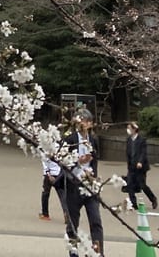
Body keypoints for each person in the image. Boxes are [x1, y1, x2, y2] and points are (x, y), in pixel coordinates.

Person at [58, 108, 103, 254]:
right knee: (72, 223)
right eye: (81, 120)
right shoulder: (70, 139)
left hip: (90, 185)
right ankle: (73, 252)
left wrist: (94, 178)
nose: (83, 123)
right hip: (74, 184)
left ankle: (98, 252)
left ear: (90, 124)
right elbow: (62, 160)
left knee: (96, 221)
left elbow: (95, 161)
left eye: (86, 121)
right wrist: (78, 160)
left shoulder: (93, 140)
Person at [124, 121, 158, 211]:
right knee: (130, 185)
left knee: (142, 185)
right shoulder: (128, 140)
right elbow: (128, 153)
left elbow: (143, 152)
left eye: (129, 128)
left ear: (134, 129)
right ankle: (133, 204)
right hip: (131, 167)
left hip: (140, 167)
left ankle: (153, 199)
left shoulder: (141, 140)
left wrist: (140, 162)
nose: (128, 130)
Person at [39, 155, 61, 220]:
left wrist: (48, 174)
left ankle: (45, 214)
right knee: (62, 195)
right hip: (59, 174)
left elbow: (45, 162)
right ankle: (66, 213)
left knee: (45, 193)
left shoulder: (45, 148)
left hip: (50, 174)